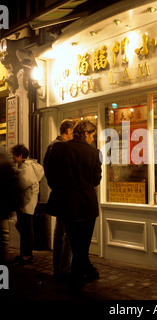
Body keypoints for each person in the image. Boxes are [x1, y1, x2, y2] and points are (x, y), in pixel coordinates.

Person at [45, 120, 102, 292]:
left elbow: (50, 176)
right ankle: (77, 281)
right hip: (86, 204)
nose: (93, 139)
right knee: (81, 245)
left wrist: (63, 190)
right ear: (86, 134)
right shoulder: (95, 153)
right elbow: (96, 180)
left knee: (75, 242)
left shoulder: (58, 149)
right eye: (92, 135)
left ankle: (87, 272)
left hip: (66, 204)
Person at [43, 119, 76, 283]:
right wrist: (61, 187)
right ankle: (62, 269)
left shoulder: (55, 145)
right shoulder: (58, 146)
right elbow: (49, 171)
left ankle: (60, 268)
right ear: (69, 131)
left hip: (61, 194)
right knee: (65, 234)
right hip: (64, 195)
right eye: (73, 131)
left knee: (60, 233)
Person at [11, 144, 44, 265]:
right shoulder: (24, 166)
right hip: (24, 202)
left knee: (26, 229)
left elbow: (22, 183)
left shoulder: (27, 167)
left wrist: (14, 176)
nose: (12, 157)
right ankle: (23, 253)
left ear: (20, 156)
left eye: (13, 155)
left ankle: (27, 255)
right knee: (24, 228)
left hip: (26, 202)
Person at [0, 151, 23, 264]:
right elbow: (13, 188)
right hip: (3, 211)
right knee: (4, 239)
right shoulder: (6, 163)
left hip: (4, 209)